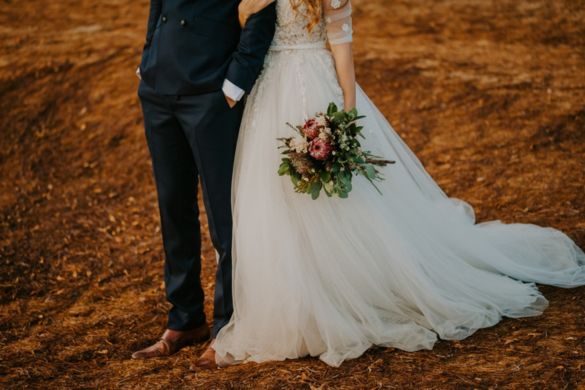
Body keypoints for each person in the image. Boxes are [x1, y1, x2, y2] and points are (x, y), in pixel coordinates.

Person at [210, 0, 585, 368]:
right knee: (274, 198)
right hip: (269, 91)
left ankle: (340, 295)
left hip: (311, 85)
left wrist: (346, 116)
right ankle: (289, 302)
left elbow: (342, 46)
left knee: (334, 201)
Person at [132, 0, 277, 369]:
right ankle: (185, 318)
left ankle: (226, 329)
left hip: (211, 93)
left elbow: (262, 14)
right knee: (173, 208)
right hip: (158, 88)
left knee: (224, 218)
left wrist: (234, 83)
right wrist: (148, 58)